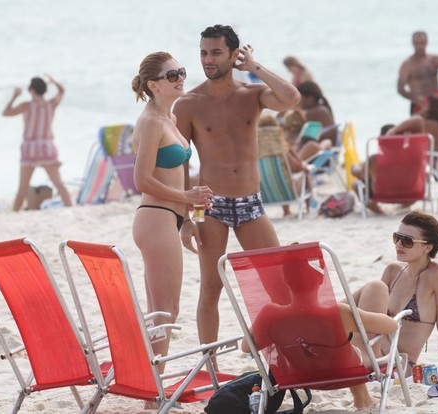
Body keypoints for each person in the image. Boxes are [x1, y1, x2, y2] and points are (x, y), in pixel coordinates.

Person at [173, 24, 301, 350]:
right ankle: (211, 364)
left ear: (234, 55)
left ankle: (281, 355)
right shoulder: (189, 103)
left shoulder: (252, 95)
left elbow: (291, 98)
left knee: (277, 287)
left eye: (216, 52)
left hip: (251, 204)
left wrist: (255, 68)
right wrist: (187, 217)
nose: (208, 59)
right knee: (211, 287)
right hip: (209, 205)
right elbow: (180, 162)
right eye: (203, 52)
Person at [130, 52, 213, 374]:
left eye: (181, 71)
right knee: (166, 310)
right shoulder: (150, 122)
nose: (180, 78)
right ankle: (155, 386)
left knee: (160, 310)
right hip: (154, 216)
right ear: (153, 85)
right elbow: (141, 179)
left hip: (170, 216)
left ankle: (151, 381)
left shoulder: (170, 120)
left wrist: (190, 215)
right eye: (172, 75)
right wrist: (184, 196)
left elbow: (182, 169)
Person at [242, 267, 398, 409]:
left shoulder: (270, 315)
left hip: (298, 375)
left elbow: (246, 347)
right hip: (345, 372)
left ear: (286, 280)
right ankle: (363, 398)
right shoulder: (339, 312)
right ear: (321, 279)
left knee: (326, 335)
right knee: (377, 288)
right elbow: (391, 326)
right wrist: (354, 315)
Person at [352, 211, 438, 375]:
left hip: (398, 363)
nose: (399, 244)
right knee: (373, 288)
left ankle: (353, 351)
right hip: (373, 349)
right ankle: (319, 318)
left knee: (374, 288)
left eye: (407, 241)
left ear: (427, 247)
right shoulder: (393, 270)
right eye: (396, 237)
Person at [351, 94, 438, 214]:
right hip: (411, 195)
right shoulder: (413, 158)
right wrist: (395, 131)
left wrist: (354, 166)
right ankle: (402, 206)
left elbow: (360, 174)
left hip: (383, 195)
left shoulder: (375, 160)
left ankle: (380, 212)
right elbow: (417, 121)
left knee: (356, 184)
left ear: (381, 140)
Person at [2, 75, 73, 212]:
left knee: (22, 187)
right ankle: (71, 208)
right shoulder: (51, 104)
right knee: (59, 184)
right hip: (47, 147)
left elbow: (6, 113)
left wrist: (14, 96)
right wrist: (54, 81)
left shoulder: (27, 106)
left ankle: (14, 213)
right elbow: (62, 91)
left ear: (31, 90)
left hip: (30, 149)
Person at [296, 80, 338, 160]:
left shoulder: (316, 112)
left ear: (309, 98)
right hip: (323, 154)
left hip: (319, 155)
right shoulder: (321, 109)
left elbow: (292, 121)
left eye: (300, 98)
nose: (299, 102)